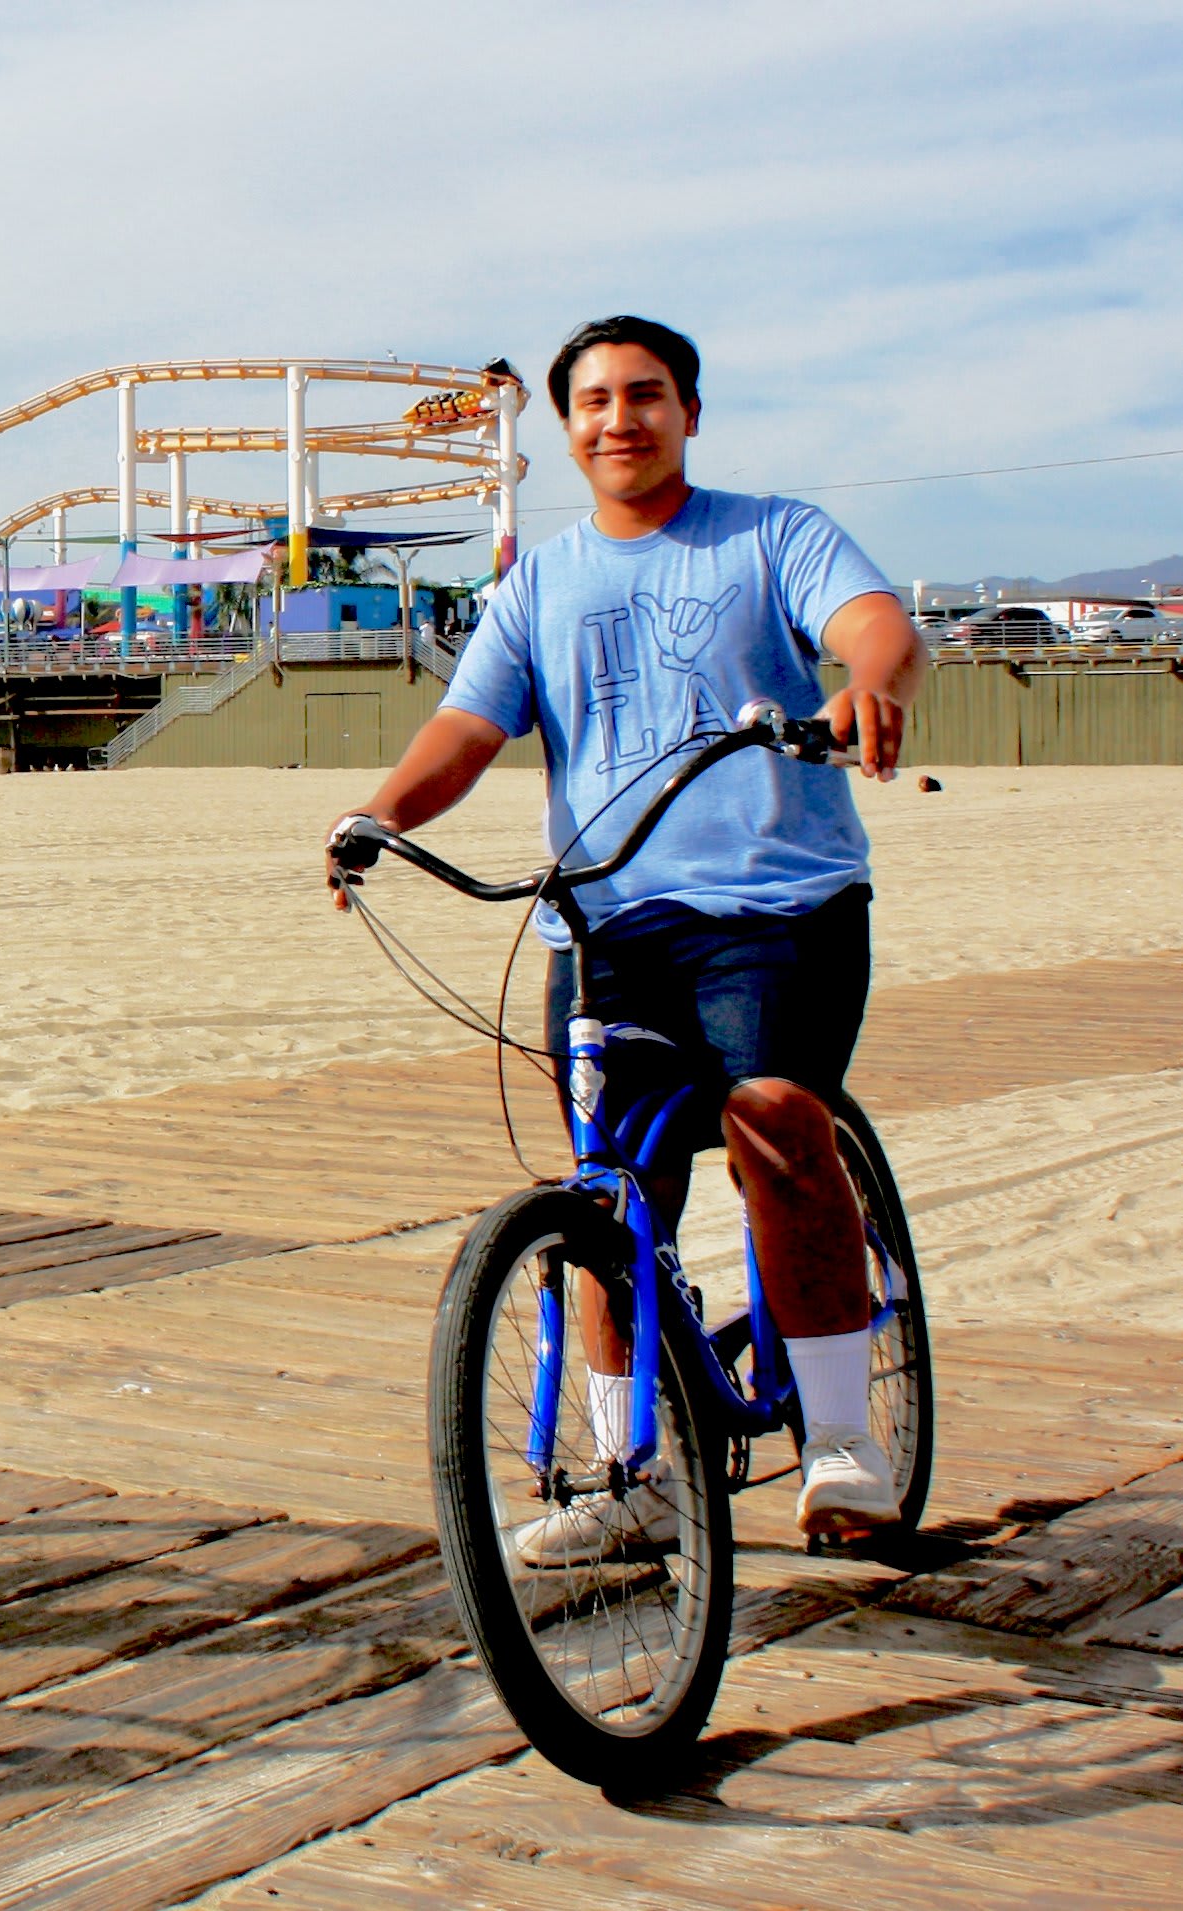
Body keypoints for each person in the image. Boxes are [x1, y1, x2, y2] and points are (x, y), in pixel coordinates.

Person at [325, 315, 925, 1558]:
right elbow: (467, 729)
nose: (618, 419)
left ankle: (838, 1441)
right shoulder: (538, 582)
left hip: (777, 906)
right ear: (565, 429)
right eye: (592, 402)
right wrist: (379, 812)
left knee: (773, 1122)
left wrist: (865, 684)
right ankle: (630, 1475)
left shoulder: (771, 534)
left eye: (644, 396)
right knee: (608, 1200)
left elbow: (875, 628)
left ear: (688, 413)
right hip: (602, 923)